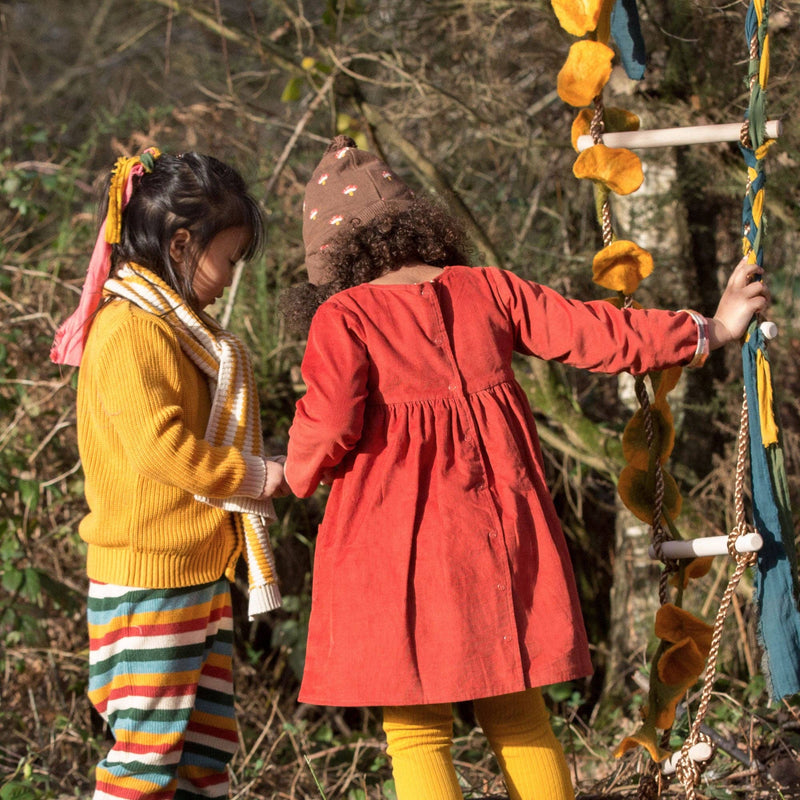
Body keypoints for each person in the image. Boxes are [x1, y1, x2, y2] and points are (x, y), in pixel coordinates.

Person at [280, 136, 770, 800]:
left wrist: (296, 470)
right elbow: (599, 333)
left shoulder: (345, 315)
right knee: (516, 711)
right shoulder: (488, 290)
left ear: (332, 257)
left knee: (418, 729)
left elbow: (331, 418)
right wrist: (708, 328)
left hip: (393, 549)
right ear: (420, 226)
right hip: (497, 535)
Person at [50, 148, 287, 800]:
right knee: (145, 760)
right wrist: (258, 477)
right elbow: (161, 449)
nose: (232, 277)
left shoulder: (173, 329)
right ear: (182, 244)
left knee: (203, 756)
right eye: (229, 259)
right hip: (148, 579)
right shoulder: (130, 329)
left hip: (193, 572)